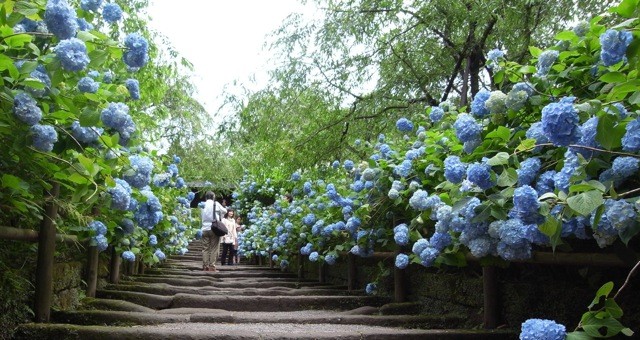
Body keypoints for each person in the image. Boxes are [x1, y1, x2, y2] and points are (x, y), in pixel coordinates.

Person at [201, 191, 227, 271]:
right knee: (214, 248)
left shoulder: (202, 205)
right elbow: (225, 211)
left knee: (205, 248)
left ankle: (205, 266)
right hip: (214, 228)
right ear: (213, 197)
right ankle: (212, 266)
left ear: (206, 197)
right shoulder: (216, 204)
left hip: (204, 228)